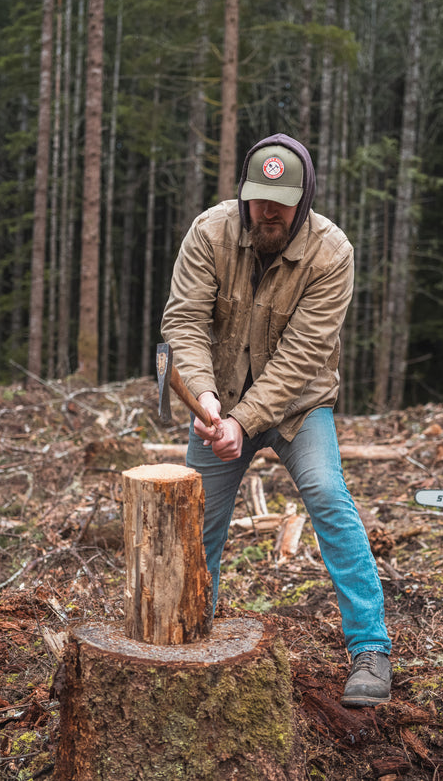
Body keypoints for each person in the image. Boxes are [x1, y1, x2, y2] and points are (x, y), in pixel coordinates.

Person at [160, 133, 392, 707]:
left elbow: (303, 355)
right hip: (221, 402)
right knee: (197, 522)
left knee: (328, 496)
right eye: (259, 198)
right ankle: (189, 636)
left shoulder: (331, 252)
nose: (267, 211)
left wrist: (245, 418)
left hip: (296, 405)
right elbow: (184, 322)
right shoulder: (209, 232)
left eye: (281, 201)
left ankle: (370, 647)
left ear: (303, 198)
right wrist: (208, 400)